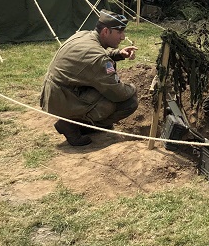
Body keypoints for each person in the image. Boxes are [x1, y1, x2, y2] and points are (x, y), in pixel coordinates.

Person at [39, 11, 139, 146]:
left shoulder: (84, 35)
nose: (123, 37)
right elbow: (118, 93)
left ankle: (77, 122)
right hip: (63, 99)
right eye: (119, 32)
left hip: (54, 93)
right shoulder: (98, 58)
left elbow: (92, 54)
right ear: (105, 31)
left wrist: (118, 54)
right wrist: (134, 88)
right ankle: (75, 126)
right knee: (129, 102)